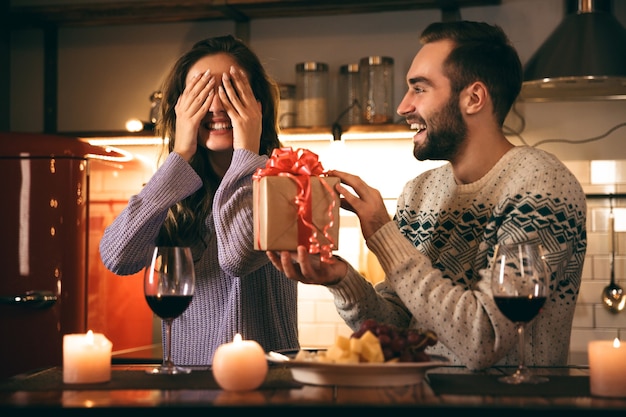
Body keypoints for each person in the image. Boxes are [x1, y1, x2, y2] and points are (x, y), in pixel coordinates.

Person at [268, 20, 587, 371]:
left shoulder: (541, 185)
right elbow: (400, 331)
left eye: (419, 89)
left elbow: (484, 339)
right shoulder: (419, 193)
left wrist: (382, 234)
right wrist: (341, 280)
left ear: (473, 98)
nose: (403, 106)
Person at [99, 35, 299, 366]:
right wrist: (180, 154)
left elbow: (238, 258)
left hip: (268, 383)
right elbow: (117, 257)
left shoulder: (288, 183)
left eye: (232, 91)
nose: (217, 107)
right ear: (180, 107)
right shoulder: (173, 188)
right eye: (202, 93)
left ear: (258, 105)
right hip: (186, 383)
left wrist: (247, 153)